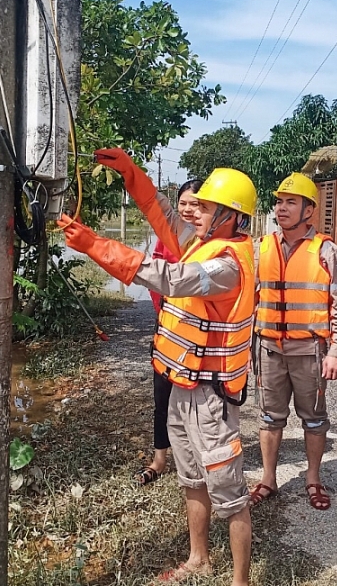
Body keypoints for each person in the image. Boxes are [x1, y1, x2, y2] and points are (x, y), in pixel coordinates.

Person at [59, 149, 256, 586]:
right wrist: (132, 173)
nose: (196, 212)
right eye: (199, 205)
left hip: (212, 397)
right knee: (190, 477)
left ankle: (241, 581)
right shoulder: (203, 243)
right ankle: (199, 559)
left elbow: (170, 279)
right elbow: (160, 211)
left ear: (231, 216)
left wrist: (95, 245)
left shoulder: (226, 265)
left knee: (229, 492)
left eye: (206, 207)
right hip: (182, 387)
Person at [249, 173, 337, 511]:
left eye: (291, 202)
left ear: (309, 210)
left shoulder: (326, 250)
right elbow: (247, 300)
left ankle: (313, 479)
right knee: (269, 417)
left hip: (310, 350)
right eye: (279, 201)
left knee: (315, 418)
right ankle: (267, 479)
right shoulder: (261, 248)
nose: (282, 208)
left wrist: (336, 351)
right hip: (268, 347)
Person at [138, 178, 203, 486]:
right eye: (184, 204)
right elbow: (156, 281)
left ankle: (199, 456)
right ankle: (160, 458)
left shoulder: (205, 244)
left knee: (199, 397)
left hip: (196, 331)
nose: (188, 210)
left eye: (195, 204)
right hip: (166, 324)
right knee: (161, 394)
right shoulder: (165, 239)